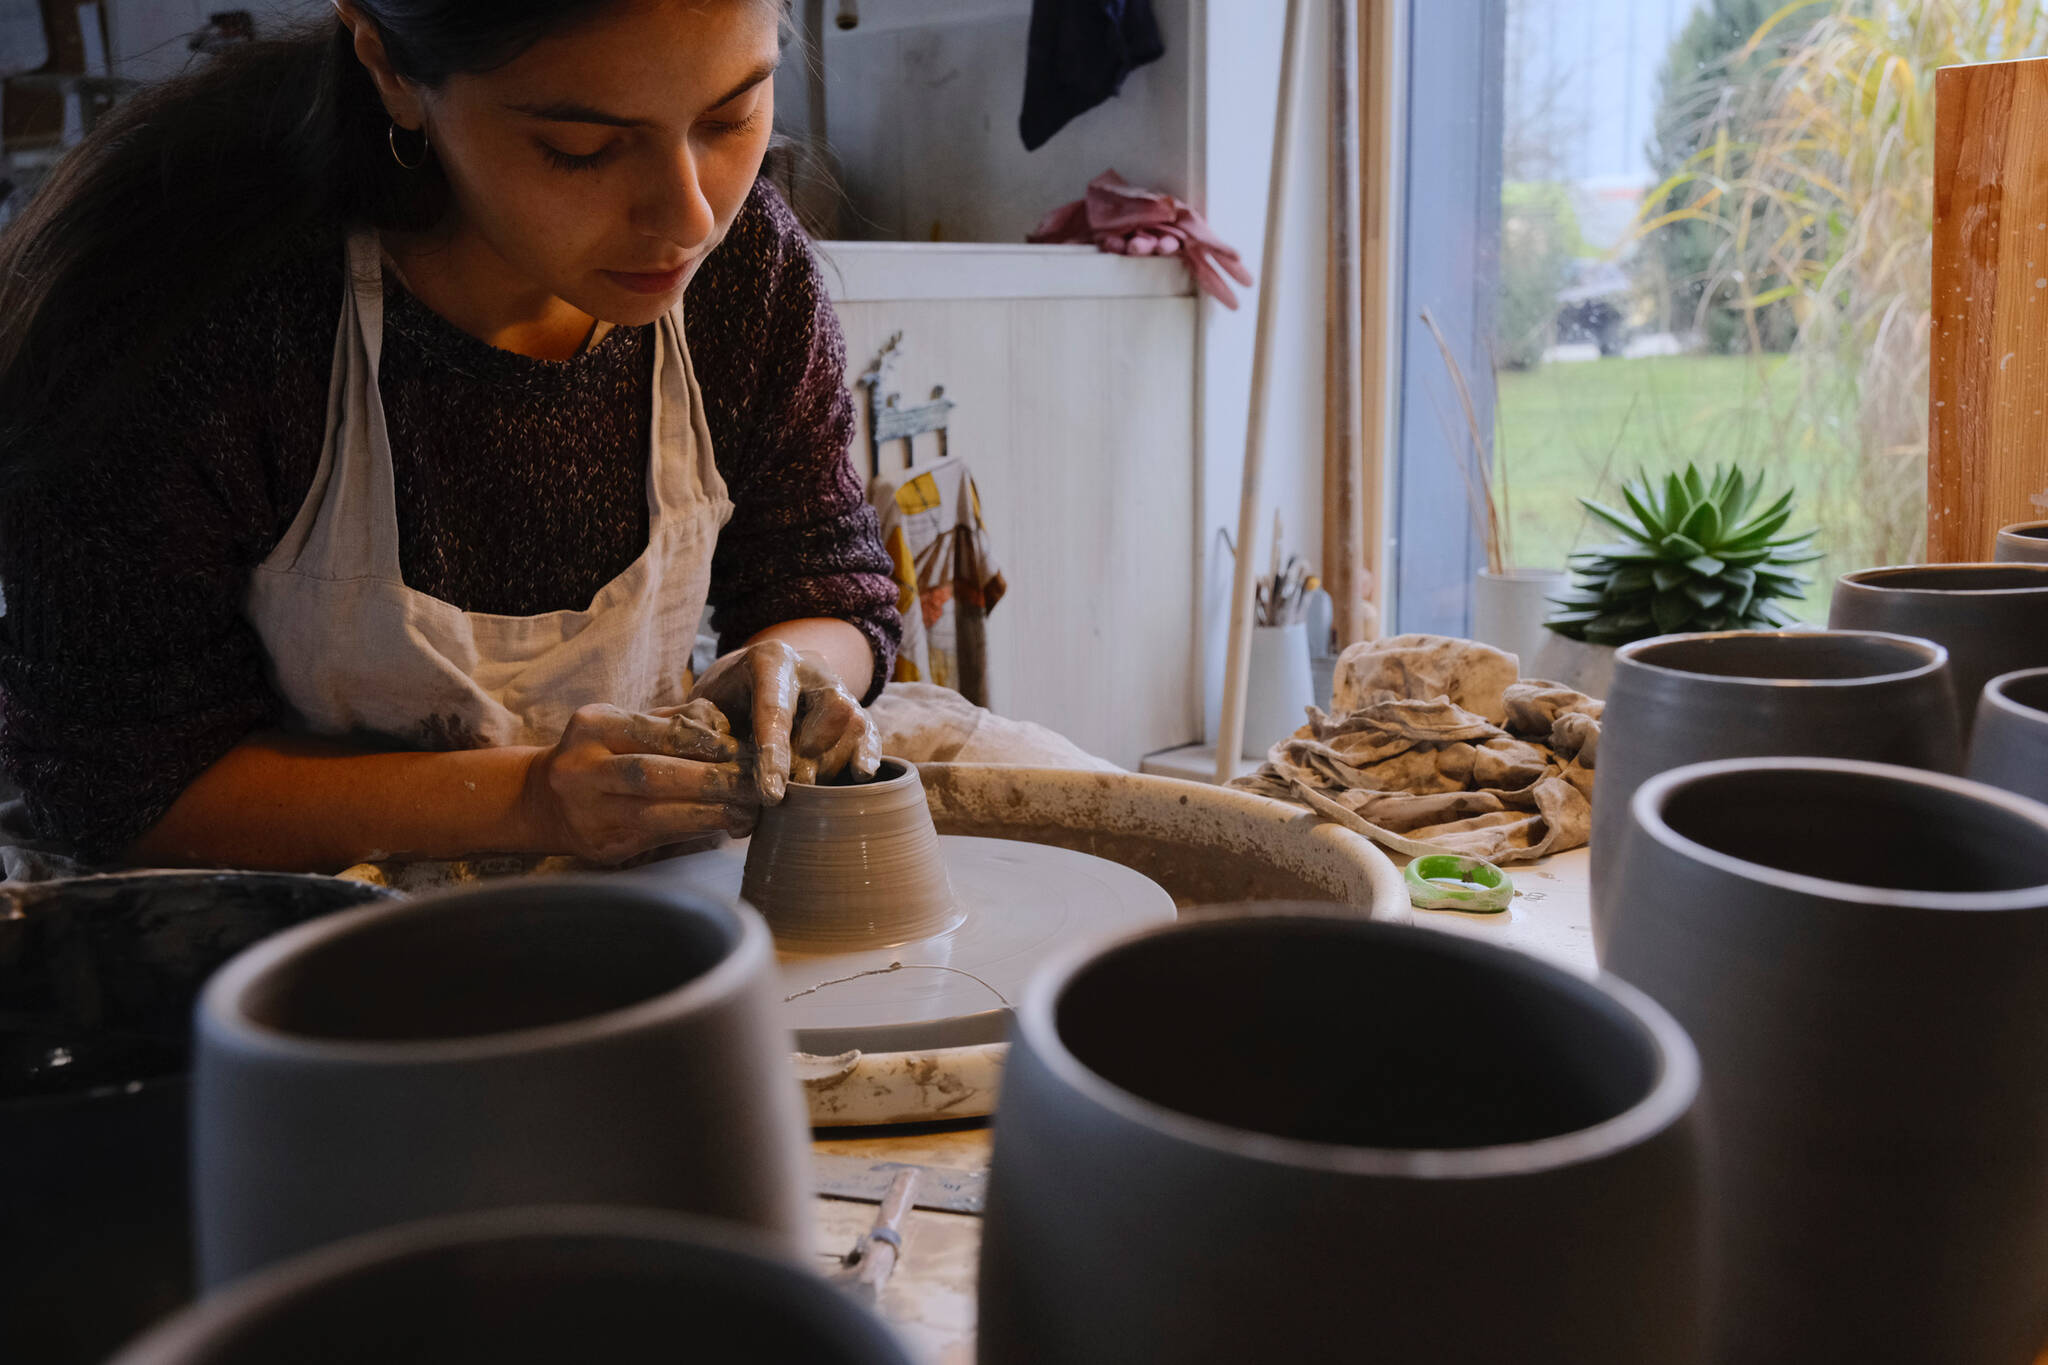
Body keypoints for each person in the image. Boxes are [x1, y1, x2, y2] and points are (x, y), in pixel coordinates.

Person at [0, 0, 899, 874]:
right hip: (279, 927)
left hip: (633, 879)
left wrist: (793, 671)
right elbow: (118, 786)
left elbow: (824, 580)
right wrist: (527, 802)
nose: (691, 218)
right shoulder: (188, 313)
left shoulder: (745, 274)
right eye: (580, 149)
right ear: (390, 68)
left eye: (732, 115)